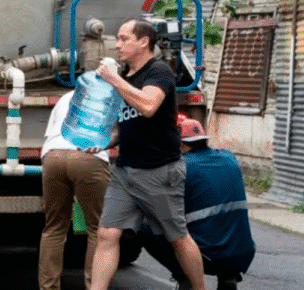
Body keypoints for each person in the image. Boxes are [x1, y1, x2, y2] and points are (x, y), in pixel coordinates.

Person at [89, 18, 206, 290]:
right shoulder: (126, 79)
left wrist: (114, 79)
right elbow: (126, 124)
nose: (117, 45)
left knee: (177, 237)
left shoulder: (159, 72)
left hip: (159, 170)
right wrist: (103, 142)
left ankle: (199, 288)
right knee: (106, 233)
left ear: (144, 41)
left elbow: (148, 106)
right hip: (125, 170)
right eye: (117, 39)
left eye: (123, 38)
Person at [136, 118, 255, 290]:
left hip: (207, 256)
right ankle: (229, 278)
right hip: (242, 254)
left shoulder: (180, 167)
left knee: (146, 227)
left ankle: (186, 276)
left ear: (181, 145)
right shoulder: (230, 158)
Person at [39, 90, 111, 290]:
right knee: (98, 229)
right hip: (88, 157)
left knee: (54, 227)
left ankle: (48, 287)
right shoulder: (113, 93)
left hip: (53, 155)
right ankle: (94, 285)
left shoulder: (68, 96)